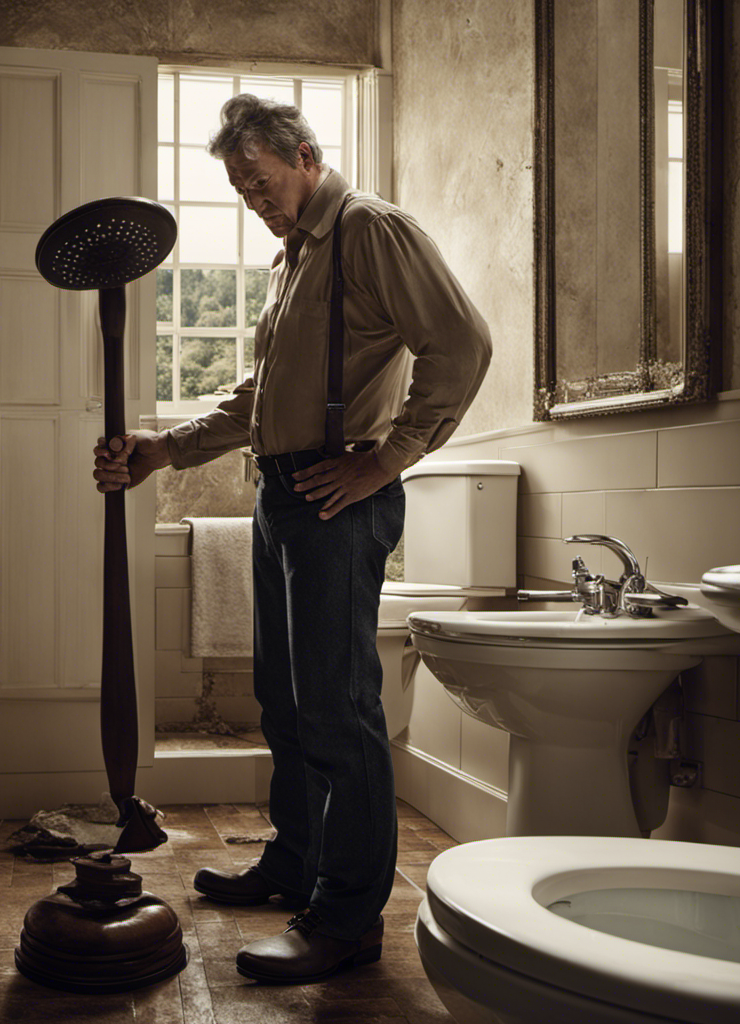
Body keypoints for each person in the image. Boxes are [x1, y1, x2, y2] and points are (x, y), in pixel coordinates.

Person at [93, 94, 491, 983]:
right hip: (280, 497)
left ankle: (346, 919)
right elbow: (260, 400)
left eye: (260, 182)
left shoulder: (370, 231)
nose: (253, 200)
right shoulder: (292, 259)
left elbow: (461, 346)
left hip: (333, 499)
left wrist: (385, 463)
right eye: (239, 189)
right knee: (283, 701)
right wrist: (166, 448)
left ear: (305, 155)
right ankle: (297, 861)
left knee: (338, 715)